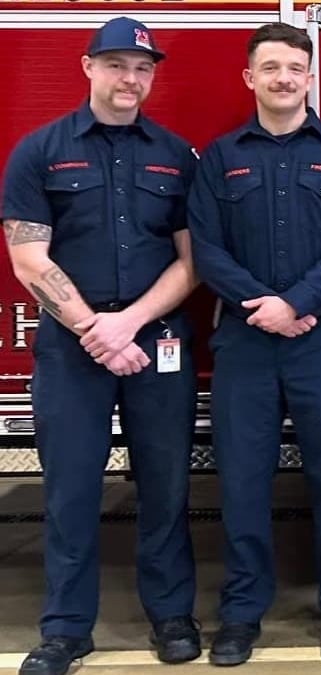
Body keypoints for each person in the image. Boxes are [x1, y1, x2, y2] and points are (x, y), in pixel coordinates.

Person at [1, 17, 201, 675]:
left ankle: (171, 617)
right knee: (70, 488)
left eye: (142, 68)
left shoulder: (176, 155)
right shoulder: (39, 151)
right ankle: (64, 630)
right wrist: (95, 328)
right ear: (88, 67)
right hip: (70, 347)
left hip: (157, 342)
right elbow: (29, 258)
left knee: (167, 484)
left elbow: (192, 261)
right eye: (116, 64)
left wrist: (130, 322)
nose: (130, 78)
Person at [187, 22, 321, 665]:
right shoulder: (218, 158)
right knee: (242, 483)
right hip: (245, 341)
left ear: (309, 76)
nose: (282, 78)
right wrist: (264, 308)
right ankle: (241, 616)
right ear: (250, 78)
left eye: (294, 68)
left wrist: (294, 304)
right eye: (269, 68)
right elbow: (206, 247)